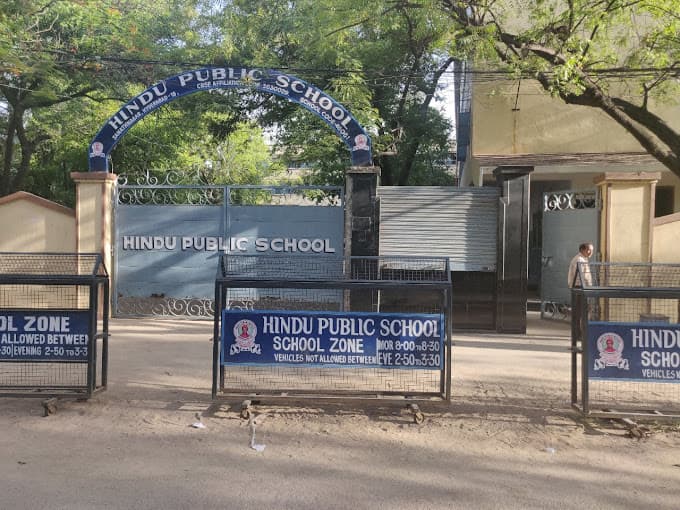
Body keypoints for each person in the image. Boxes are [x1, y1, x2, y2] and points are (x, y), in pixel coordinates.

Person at [568, 242, 594, 341]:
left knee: (582, 313)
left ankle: (580, 334)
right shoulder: (579, 260)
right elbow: (581, 276)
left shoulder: (583, 259)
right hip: (579, 288)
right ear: (583, 250)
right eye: (589, 250)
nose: (591, 252)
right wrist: (587, 287)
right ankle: (577, 335)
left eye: (591, 250)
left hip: (583, 289)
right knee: (579, 313)